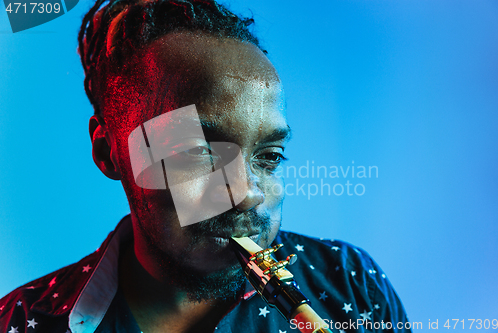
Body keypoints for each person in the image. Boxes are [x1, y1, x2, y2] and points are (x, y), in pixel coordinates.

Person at [0, 0, 411, 332]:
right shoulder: (16, 321)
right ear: (110, 150)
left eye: (269, 157)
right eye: (198, 153)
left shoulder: (350, 284)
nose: (247, 193)